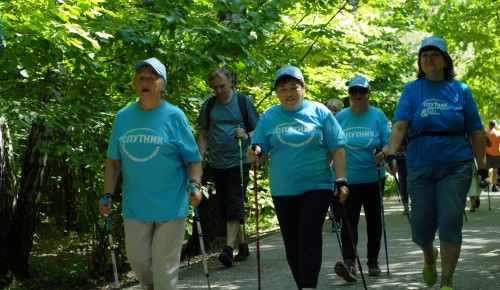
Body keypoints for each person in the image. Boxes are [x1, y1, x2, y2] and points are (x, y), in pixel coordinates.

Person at [384, 36, 487, 290]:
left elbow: (475, 132)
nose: (429, 58)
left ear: (445, 60)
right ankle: (430, 256)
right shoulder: (412, 89)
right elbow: (399, 126)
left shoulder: (460, 90)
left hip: (456, 163)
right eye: (425, 55)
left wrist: (482, 168)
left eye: (435, 54)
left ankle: (447, 282)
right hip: (420, 163)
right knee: (420, 228)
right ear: (420, 61)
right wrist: (391, 154)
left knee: (451, 219)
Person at [98, 57, 203, 290]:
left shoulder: (174, 116)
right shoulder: (123, 117)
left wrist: (195, 184)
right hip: (136, 204)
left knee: (164, 266)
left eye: (151, 78)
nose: (145, 81)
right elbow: (113, 162)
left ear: (162, 85)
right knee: (137, 259)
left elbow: (193, 159)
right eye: (141, 78)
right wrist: (108, 194)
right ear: (135, 84)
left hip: (171, 203)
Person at [247, 64, 348, 290]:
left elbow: (338, 147)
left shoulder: (319, 112)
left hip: (318, 184)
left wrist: (341, 180)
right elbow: (259, 150)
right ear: (277, 92)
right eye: (283, 89)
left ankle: (309, 286)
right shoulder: (270, 116)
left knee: (309, 234)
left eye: (294, 87)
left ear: (303, 88)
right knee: (292, 242)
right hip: (283, 188)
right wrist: (255, 151)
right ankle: (303, 285)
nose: (289, 93)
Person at [197, 67, 259, 268]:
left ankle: (227, 249)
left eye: (222, 86)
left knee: (234, 200)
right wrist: (201, 156)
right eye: (215, 87)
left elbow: (258, 129)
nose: (219, 91)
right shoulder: (209, 105)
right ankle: (243, 244)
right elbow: (204, 134)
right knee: (226, 206)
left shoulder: (242, 102)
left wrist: (247, 136)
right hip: (217, 162)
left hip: (239, 161)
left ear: (230, 83)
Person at [333, 75, 391, 281]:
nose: (358, 95)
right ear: (349, 94)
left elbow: (388, 142)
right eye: (354, 91)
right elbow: (332, 144)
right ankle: (349, 262)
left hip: (374, 177)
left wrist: (383, 153)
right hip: (348, 179)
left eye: (362, 91)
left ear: (368, 94)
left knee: (374, 220)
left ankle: (373, 261)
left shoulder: (378, 116)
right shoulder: (340, 118)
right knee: (350, 220)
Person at [324, 98, 344, 232]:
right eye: (331, 110)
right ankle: (336, 220)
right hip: (329, 165)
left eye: (336, 110)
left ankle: (340, 217)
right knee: (333, 194)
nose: (334, 113)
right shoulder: (324, 124)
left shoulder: (344, 123)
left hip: (343, 164)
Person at [486, 120, 500, 192]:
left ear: (489, 125)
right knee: (495, 172)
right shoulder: (498, 133)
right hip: (497, 155)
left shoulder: (485, 133)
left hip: (487, 155)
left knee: (486, 171)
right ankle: (494, 187)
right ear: (495, 125)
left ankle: (486, 186)